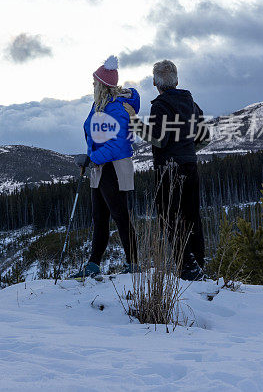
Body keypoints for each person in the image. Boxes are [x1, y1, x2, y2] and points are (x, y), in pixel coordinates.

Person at [138, 59, 210, 281]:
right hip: (190, 166)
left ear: (154, 82)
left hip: (169, 169)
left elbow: (159, 138)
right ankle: (198, 264)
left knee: (169, 218)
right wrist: (188, 150)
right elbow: (205, 138)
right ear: (177, 80)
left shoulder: (160, 106)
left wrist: (136, 125)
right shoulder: (191, 103)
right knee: (192, 217)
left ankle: (187, 267)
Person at [71, 55, 140, 278]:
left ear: (103, 85)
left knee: (120, 216)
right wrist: (91, 157)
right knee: (100, 218)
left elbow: (117, 142)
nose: (92, 85)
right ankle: (93, 264)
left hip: (114, 169)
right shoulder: (100, 105)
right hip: (101, 167)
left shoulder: (116, 109)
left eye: (95, 82)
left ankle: (133, 264)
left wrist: (93, 158)